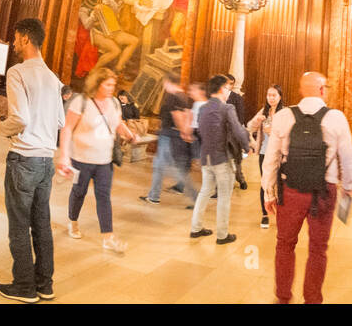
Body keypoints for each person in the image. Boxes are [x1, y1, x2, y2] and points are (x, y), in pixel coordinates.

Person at [260, 71, 352, 304]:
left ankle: (283, 297)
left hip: (290, 190)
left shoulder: (284, 116)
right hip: (323, 192)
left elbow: (271, 158)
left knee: (284, 244)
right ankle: (312, 299)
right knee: (318, 248)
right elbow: (348, 158)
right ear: (322, 90)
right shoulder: (336, 118)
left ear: (302, 90)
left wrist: (268, 191)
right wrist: (349, 187)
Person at [0, 18, 67, 303]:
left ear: (25, 38)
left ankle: (23, 286)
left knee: (19, 224)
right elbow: (60, 120)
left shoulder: (18, 72)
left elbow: (20, 118)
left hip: (24, 158)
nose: (13, 43)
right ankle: (44, 284)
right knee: (42, 222)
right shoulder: (53, 78)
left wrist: (1, 127)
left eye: (15, 37)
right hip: (46, 161)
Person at [59, 66, 137, 254]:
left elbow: (117, 124)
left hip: (104, 160)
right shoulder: (82, 102)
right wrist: (64, 155)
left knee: (104, 196)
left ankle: (108, 238)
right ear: (97, 83)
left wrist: (129, 134)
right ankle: (73, 221)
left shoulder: (114, 103)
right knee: (79, 192)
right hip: (81, 159)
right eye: (107, 84)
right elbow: (67, 128)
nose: (112, 88)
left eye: (113, 84)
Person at [189, 75, 250, 245]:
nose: (229, 91)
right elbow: (238, 130)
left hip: (206, 158)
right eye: (228, 88)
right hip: (222, 158)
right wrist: (247, 146)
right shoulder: (227, 108)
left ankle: (196, 228)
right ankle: (222, 235)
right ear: (222, 89)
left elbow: (200, 131)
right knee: (224, 197)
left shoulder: (202, 108)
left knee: (205, 192)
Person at [141, 71, 196, 206]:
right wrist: (187, 131)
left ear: (167, 82)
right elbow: (189, 115)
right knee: (160, 166)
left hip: (169, 136)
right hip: (173, 135)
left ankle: (196, 197)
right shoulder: (183, 96)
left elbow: (178, 116)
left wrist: (184, 132)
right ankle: (153, 196)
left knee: (172, 169)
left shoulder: (172, 97)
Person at [246, 85, 285, 229]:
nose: (271, 98)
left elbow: (288, 132)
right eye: (269, 95)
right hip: (264, 152)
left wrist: (273, 131)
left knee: (280, 184)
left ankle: (282, 213)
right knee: (265, 183)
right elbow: (250, 127)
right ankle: (264, 214)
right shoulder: (263, 111)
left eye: (274, 95)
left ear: (280, 97)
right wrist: (257, 121)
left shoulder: (285, 112)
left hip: (280, 153)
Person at [225, 73, 247, 189]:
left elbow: (241, 117)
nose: (228, 86)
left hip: (233, 134)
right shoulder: (217, 97)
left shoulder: (237, 98)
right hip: (221, 135)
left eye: (230, 84)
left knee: (236, 160)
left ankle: (241, 179)